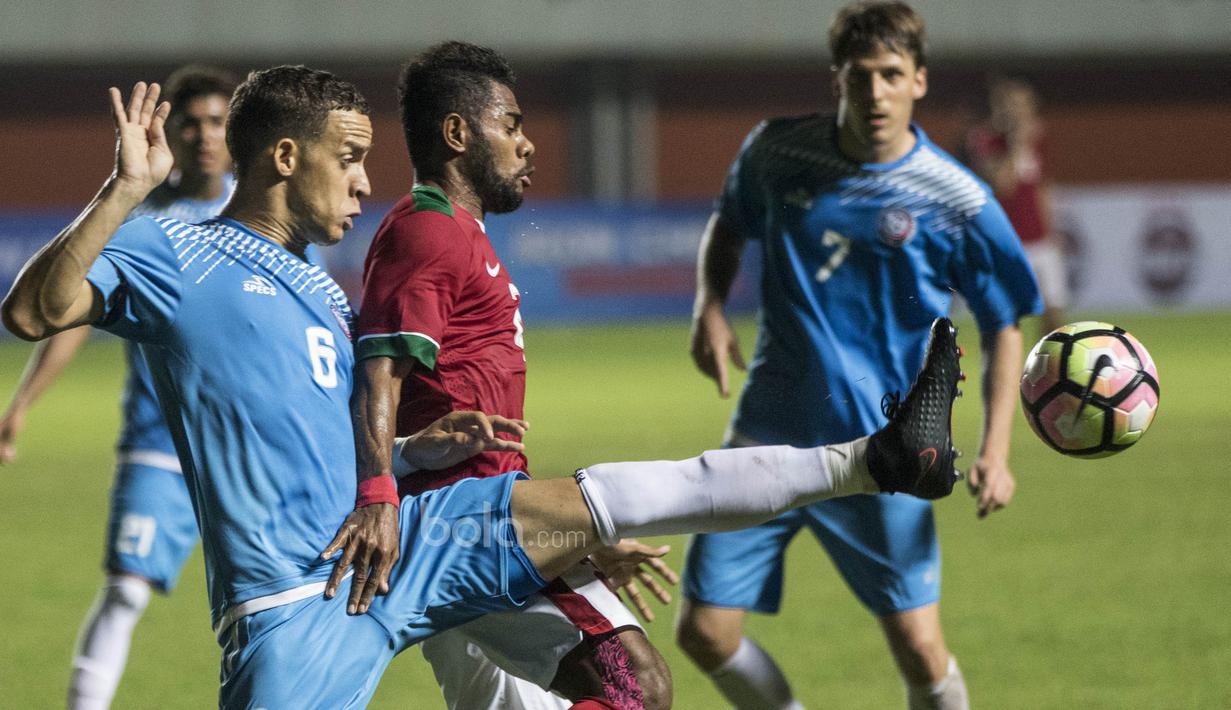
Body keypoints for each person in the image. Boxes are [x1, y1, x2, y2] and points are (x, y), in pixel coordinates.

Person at [1, 66, 963, 710]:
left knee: (614, 500)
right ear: (284, 158)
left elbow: (319, 430)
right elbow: (34, 313)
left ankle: (877, 456)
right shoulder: (182, 254)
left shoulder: (312, 283)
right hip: (293, 610)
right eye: (348, 157)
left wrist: (419, 453)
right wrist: (123, 192)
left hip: (390, 545)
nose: (363, 178)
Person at [679, 3, 1044, 709]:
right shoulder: (775, 151)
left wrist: (996, 450)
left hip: (887, 451)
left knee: (918, 650)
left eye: (890, 74)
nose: (874, 92)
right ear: (836, 79)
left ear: (919, 81)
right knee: (704, 632)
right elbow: (731, 219)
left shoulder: (956, 198)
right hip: (767, 433)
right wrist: (710, 304)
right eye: (859, 76)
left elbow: (1004, 324)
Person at [354, 41, 677, 710]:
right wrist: (379, 499)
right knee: (636, 688)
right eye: (510, 123)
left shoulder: (458, 234)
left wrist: (571, 543)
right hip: (470, 523)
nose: (527, 144)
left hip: (479, 513)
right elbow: (377, 374)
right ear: (457, 133)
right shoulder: (429, 233)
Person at [0, 64, 236, 710]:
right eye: (191, 123)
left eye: (218, 121)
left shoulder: (264, 212)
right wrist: (23, 401)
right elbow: (73, 316)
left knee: (267, 601)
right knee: (126, 589)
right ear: (174, 134)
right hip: (160, 437)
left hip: (245, 442)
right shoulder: (141, 217)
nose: (205, 135)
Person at [963, 77, 1067, 337]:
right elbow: (1002, 184)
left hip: (1039, 239)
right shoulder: (984, 140)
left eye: (1024, 105)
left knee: (1053, 314)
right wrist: (1017, 143)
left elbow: (1041, 187)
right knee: (1007, 319)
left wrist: (1051, 230)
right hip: (1007, 241)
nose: (1019, 112)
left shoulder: (1038, 141)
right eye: (1012, 105)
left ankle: (1049, 371)